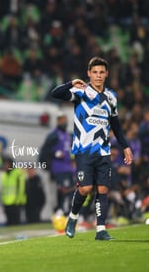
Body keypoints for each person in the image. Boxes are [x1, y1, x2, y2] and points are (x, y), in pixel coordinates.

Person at [51, 56, 133, 240]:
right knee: (85, 189)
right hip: (83, 150)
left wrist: (125, 146)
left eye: (101, 72)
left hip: (103, 150)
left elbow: (116, 124)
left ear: (107, 74)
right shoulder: (81, 92)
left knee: (103, 189)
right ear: (89, 73)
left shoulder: (111, 96)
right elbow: (55, 94)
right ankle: (72, 217)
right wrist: (71, 83)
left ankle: (101, 230)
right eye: (94, 72)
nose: (98, 76)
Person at [39, 113, 75, 215]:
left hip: (69, 168)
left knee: (70, 190)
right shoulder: (53, 135)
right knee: (62, 190)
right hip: (58, 168)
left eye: (65, 119)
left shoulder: (68, 135)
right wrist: (55, 154)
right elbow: (45, 150)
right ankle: (60, 211)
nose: (64, 122)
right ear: (58, 121)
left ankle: (67, 211)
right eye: (61, 120)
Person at [0, 157, 27, 225]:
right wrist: (3, 201)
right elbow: (3, 190)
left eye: (7, 164)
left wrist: (19, 201)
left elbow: (21, 188)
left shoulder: (18, 173)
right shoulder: (4, 175)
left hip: (15, 202)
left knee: (16, 222)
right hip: (6, 203)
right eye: (4, 164)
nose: (5, 166)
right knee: (9, 223)